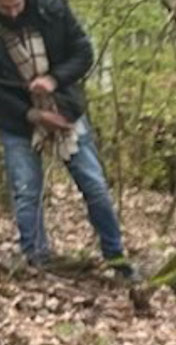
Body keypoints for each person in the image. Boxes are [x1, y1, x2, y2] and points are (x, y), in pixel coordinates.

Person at [0, 0, 130, 276]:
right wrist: (32, 114)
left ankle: (116, 256)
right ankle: (36, 259)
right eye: (5, 8)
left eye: (16, 6)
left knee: (94, 185)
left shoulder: (53, 10)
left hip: (65, 108)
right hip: (16, 119)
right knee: (26, 192)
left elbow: (83, 52)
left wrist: (54, 80)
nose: (12, 13)